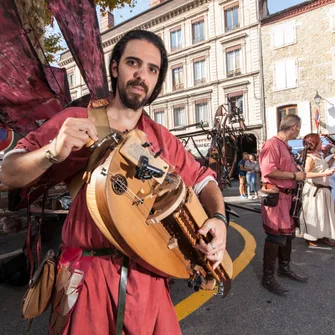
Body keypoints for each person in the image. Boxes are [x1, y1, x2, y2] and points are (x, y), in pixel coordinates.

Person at [0, 30, 228, 335]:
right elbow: (8, 172)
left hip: (149, 281)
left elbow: (203, 180)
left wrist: (218, 218)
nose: (141, 75)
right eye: (133, 63)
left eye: (152, 69)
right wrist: (52, 153)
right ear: (115, 67)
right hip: (88, 281)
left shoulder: (162, 137)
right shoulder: (79, 119)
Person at [259, 114, 308, 296]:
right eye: (299, 129)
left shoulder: (284, 146)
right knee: (275, 236)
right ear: (294, 127)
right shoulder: (272, 144)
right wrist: (295, 176)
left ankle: (284, 268)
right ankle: (268, 277)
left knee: (287, 235)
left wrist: (297, 171)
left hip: (287, 197)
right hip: (276, 197)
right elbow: (269, 170)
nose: (299, 132)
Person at [298, 133, 335, 247]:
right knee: (314, 214)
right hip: (315, 191)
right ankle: (311, 237)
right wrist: (325, 173)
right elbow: (305, 174)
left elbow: (325, 166)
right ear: (314, 143)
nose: (322, 143)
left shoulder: (319, 155)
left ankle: (323, 236)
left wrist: (332, 158)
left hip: (323, 190)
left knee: (323, 215)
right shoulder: (310, 157)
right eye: (320, 141)